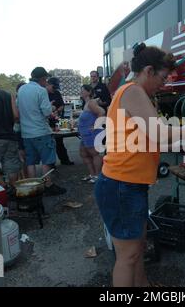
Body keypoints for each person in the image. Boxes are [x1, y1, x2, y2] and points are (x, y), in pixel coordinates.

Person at [94, 43, 176, 287]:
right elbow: (159, 133)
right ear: (148, 70)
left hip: (129, 185)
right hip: (121, 185)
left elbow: (147, 139)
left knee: (137, 247)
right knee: (127, 256)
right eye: (162, 77)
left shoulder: (135, 94)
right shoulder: (132, 91)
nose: (165, 83)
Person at [17, 67, 66, 196]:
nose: (46, 82)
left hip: (26, 133)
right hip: (40, 131)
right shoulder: (41, 90)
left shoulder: (22, 89)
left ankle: (34, 188)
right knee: (47, 160)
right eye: (46, 80)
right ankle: (48, 185)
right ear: (43, 79)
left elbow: (18, 108)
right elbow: (47, 112)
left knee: (31, 162)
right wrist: (52, 106)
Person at [76, 85, 105, 183]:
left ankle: (97, 175)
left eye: (82, 90)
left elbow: (101, 111)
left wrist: (96, 125)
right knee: (84, 153)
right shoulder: (86, 103)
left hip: (92, 134)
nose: (81, 92)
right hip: (85, 134)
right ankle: (92, 174)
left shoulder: (91, 102)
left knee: (95, 154)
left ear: (89, 92)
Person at [47, 77, 74, 166]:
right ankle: (51, 164)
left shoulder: (57, 93)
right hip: (48, 121)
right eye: (53, 87)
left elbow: (62, 105)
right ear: (49, 85)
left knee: (59, 141)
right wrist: (50, 112)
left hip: (58, 119)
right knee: (49, 143)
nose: (54, 90)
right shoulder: (43, 94)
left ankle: (64, 160)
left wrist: (57, 111)